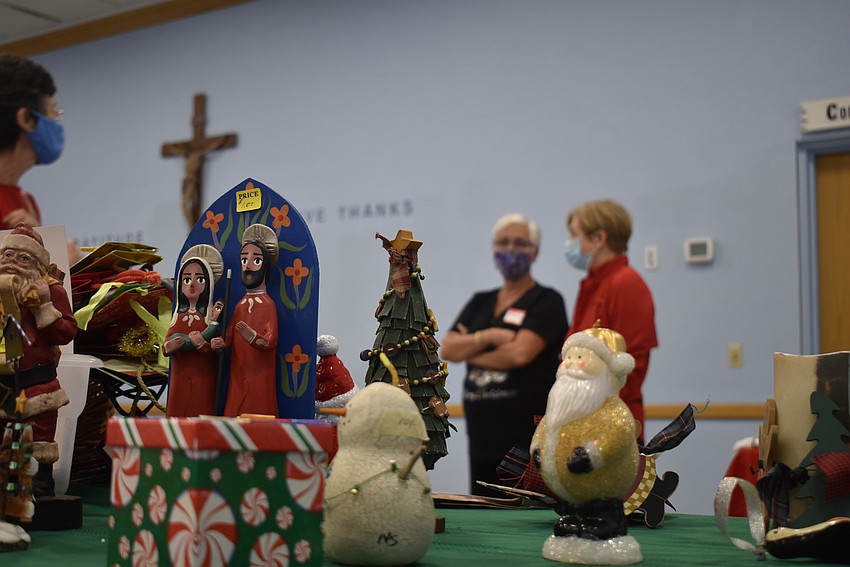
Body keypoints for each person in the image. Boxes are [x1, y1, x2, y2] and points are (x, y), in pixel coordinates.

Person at [441, 213, 568, 496]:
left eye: (520, 243)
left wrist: (471, 349)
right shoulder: (480, 302)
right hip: (482, 442)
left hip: (527, 445)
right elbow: (448, 348)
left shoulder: (547, 301)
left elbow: (519, 354)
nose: (511, 249)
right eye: (504, 243)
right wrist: (490, 337)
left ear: (534, 252)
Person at [531, 325, 641, 562]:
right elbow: (544, 429)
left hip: (604, 484)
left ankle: (604, 524)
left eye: (580, 358)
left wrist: (592, 454)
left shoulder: (612, 409)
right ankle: (572, 520)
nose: (570, 364)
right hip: (567, 490)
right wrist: (537, 449)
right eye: (568, 358)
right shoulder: (559, 412)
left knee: (601, 508)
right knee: (572, 508)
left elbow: (618, 432)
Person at [564, 199, 657, 441]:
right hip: (584, 420)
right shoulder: (594, 285)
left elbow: (631, 365)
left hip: (609, 427)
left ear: (599, 239)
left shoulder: (625, 284)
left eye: (575, 235)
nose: (570, 243)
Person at [0, 223, 77, 497]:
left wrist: (44, 306)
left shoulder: (52, 291)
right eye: (7, 256)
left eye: (23, 259)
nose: (13, 264)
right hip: (4, 379)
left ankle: (42, 483)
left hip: (38, 380)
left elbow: (67, 332)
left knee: (40, 434)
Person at [0, 53, 82, 265]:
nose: (56, 121)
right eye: (54, 111)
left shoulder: (26, 203)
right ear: (26, 119)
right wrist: (61, 263)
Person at [211, 224, 279, 417]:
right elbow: (229, 338)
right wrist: (219, 343)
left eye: (255, 260)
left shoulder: (267, 304)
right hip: (238, 374)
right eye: (244, 259)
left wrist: (252, 337)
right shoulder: (240, 304)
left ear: (264, 266)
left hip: (259, 376)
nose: (247, 265)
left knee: (258, 412)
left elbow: (270, 341)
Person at [163, 244, 224, 418]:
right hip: (179, 379)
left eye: (200, 279)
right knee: (178, 414)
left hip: (202, 378)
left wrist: (205, 345)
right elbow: (166, 346)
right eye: (187, 279)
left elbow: (212, 348)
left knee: (200, 412)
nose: (192, 284)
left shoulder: (208, 318)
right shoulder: (178, 317)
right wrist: (171, 345)